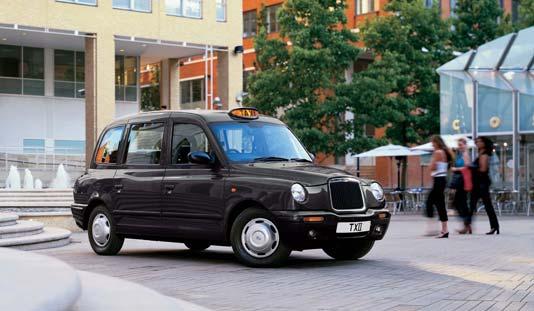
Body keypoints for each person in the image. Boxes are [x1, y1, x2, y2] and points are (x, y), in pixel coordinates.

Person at [471, 136, 500, 235]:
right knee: (473, 204)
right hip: (479, 182)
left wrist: (471, 168)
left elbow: (483, 169)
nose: (477, 143)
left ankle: (494, 226)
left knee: (486, 205)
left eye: (479, 141)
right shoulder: (480, 153)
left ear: (484, 143)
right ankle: (468, 225)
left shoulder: (484, 154)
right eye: (477, 141)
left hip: (482, 183)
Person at [425, 135, 453, 238]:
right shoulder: (444, 152)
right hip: (441, 180)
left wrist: (431, 161)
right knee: (438, 203)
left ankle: (439, 229)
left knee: (432, 203)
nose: (432, 144)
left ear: (436, 142)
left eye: (432, 142)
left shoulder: (438, 152)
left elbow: (432, 167)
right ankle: (443, 229)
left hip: (439, 180)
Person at [450, 138, 471, 234]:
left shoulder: (465, 154)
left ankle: (466, 224)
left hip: (463, 181)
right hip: (459, 181)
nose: (459, 146)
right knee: (460, 203)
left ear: (465, 145)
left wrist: (456, 169)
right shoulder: (459, 155)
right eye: (458, 144)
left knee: (459, 203)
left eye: (461, 144)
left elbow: (467, 167)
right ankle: (467, 224)